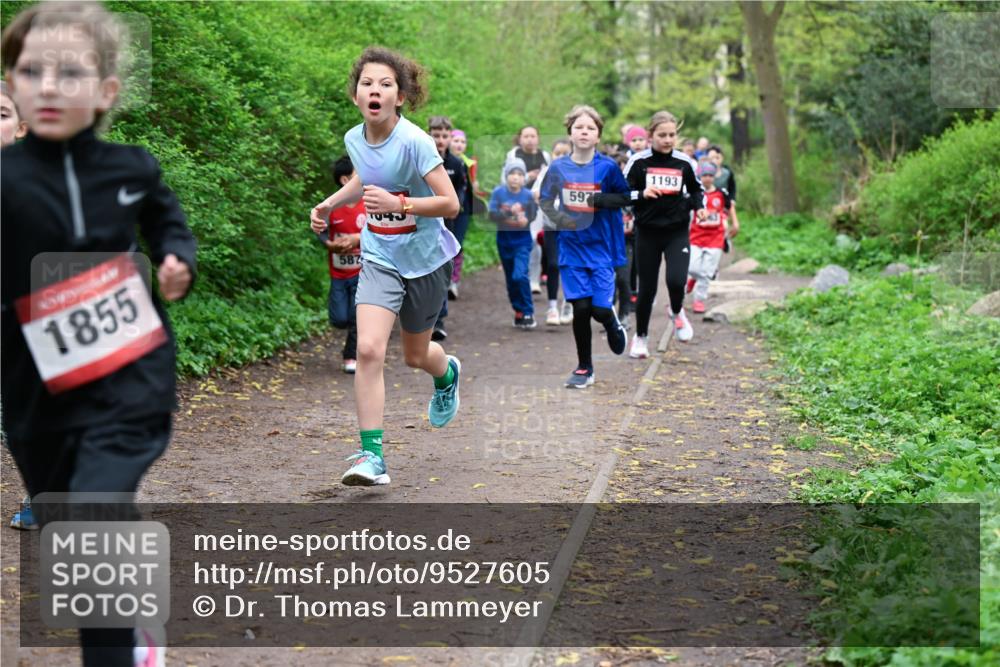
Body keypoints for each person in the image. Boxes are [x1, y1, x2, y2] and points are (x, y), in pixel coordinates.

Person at [1, 2, 196, 664]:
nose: (49, 86)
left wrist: (177, 260)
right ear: (13, 85)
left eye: (70, 72)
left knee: (93, 512)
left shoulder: (131, 168)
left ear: (107, 91)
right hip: (36, 390)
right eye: (32, 72)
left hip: (130, 376)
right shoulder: (4, 180)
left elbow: (168, 224)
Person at [309, 46, 461, 488]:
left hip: (425, 261)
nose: (375, 90)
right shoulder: (354, 139)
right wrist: (331, 202)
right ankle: (371, 456)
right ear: (356, 95)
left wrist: (399, 204)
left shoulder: (415, 142)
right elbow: (365, 176)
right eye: (367, 83)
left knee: (416, 356)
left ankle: (447, 373)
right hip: (379, 257)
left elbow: (450, 204)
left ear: (400, 97)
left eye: (385, 84)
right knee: (369, 350)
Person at [539, 105, 644, 388]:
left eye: (590, 128)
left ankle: (610, 321)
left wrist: (599, 201)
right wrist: (561, 220)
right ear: (570, 133)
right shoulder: (558, 168)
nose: (584, 132)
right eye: (579, 127)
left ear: (598, 136)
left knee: (599, 309)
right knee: (581, 308)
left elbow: (626, 197)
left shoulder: (607, 167)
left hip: (601, 248)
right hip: (571, 247)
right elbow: (545, 200)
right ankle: (584, 367)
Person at [623, 111, 706, 359]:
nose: (668, 140)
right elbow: (622, 193)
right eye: (662, 135)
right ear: (651, 136)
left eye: (671, 135)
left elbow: (697, 190)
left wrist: (700, 208)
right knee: (647, 289)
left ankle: (677, 311)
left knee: (677, 281)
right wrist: (641, 194)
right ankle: (641, 337)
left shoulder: (684, 162)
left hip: (676, 231)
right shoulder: (638, 162)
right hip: (647, 232)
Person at [319, 156, 365, 373]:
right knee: (339, 319)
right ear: (346, 180)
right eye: (358, 173)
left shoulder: (369, 203)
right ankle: (348, 332)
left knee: (357, 316)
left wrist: (358, 239)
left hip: (362, 272)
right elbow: (321, 229)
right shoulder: (332, 206)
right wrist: (329, 244)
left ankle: (350, 355)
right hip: (338, 273)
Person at [428, 115, 467, 341]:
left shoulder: (456, 164)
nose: (440, 140)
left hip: (447, 225)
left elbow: (461, 191)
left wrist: (454, 207)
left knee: (442, 271)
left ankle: (439, 320)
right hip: (423, 224)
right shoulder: (421, 160)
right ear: (429, 136)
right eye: (436, 135)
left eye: (444, 136)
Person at [490, 158, 538, 329]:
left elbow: (532, 215)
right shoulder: (498, 193)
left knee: (520, 275)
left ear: (524, 177)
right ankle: (518, 310)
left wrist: (527, 220)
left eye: (519, 174)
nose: (515, 177)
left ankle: (528, 311)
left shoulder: (527, 195)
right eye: (512, 173)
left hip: (522, 242)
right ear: (506, 175)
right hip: (504, 242)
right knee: (511, 279)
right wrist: (509, 212)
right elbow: (492, 215)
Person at [503, 126, 550, 294]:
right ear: (520, 138)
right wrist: (528, 177)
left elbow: (551, 179)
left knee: (535, 239)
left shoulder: (545, 156)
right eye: (526, 136)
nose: (530, 139)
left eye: (533, 136)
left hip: (537, 204)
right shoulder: (513, 155)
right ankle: (519, 275)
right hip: (517, 203)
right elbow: (505, 180)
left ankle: (534, 280)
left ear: (538, 138)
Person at [533, 138, 573, 326]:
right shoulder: (546, 172)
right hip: (551, 226)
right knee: (553, 264)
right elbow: (536, 193)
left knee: (570, 265)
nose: (561, 156)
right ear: (552, 154)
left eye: (566, 153)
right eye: (558, 153)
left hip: (572, 228)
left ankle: (569, 303)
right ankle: (552, 307)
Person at [687, 161, 730, 314]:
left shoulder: (721, 194)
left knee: (707, 272)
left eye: (710, 175)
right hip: (696, 236)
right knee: (692, 268)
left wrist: (727, 221)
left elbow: (727, 209)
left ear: (714, 177)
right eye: (704, 175)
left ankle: (699, 300)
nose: (707, 178)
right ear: (700, 176)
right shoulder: (695, 194)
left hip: (715, 238)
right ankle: (693, 278)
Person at [448, 129, 476, 298]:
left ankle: (453, 281)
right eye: (456, 141)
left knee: (457, 244)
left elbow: (473, 188)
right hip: (443, 209)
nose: (459, 144)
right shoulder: (441, 161)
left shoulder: (469, 164)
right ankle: (442, 279)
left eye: (462, 142)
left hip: (463, 210)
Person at [706, 144, 740, 241]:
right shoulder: (701, 173)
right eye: (711, 157)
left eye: (717, 157)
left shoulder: (727, 173)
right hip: (705, 206)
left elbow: (732, 187)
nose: (714, 160)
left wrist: (732, 199)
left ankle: (723, 242)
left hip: (721, 206)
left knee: (723, 228)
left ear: (721, 158)